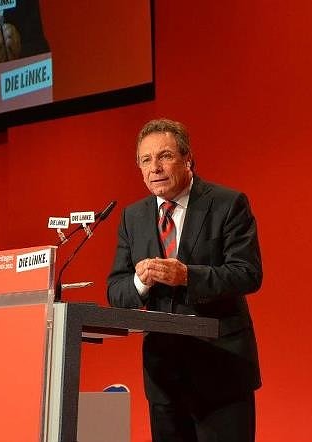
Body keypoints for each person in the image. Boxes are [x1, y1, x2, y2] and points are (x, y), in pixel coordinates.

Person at [107, 118, 263, 442]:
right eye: (146, 160)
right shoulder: (132, 216)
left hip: (221, 373)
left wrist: (188, 276)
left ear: (187, 158)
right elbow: (116, 289)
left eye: (164, 156)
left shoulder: (227, 203)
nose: (155, 167)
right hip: (164, 379)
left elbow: (247, 273)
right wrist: (140, 283)